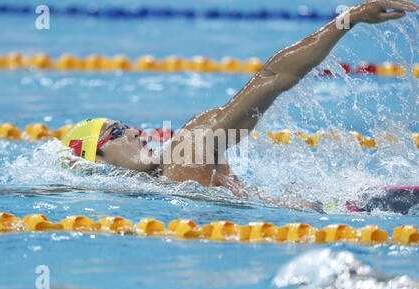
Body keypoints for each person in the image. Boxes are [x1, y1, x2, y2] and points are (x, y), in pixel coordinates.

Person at [62, 0, 419, 212]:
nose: (135, 131)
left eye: (126, 124)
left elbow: (272, 77)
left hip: (358, 210)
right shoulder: (153, 189)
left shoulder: (189, 147)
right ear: (97, 160)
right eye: (117, 132)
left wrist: (347, 20)